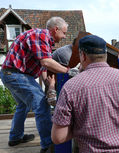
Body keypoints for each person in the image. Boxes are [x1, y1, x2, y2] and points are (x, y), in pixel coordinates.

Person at [51, 35, 119, 153]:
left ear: (83, 55)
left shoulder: (71, 87)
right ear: (106, 55)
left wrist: (82, 125)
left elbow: (58, 137)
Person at [0, 16, 70, 153]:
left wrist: (47, 84)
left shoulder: (45, 42)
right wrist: (69, 71)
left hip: (11, 74)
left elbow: (42, 67)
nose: (64, 37)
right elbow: (46, 62)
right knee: (42, 106)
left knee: (23, 106)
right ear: (56, 29)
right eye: (64, 33)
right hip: (16, 74)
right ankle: (49, 145)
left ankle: (15, 137)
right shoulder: (41, 35)